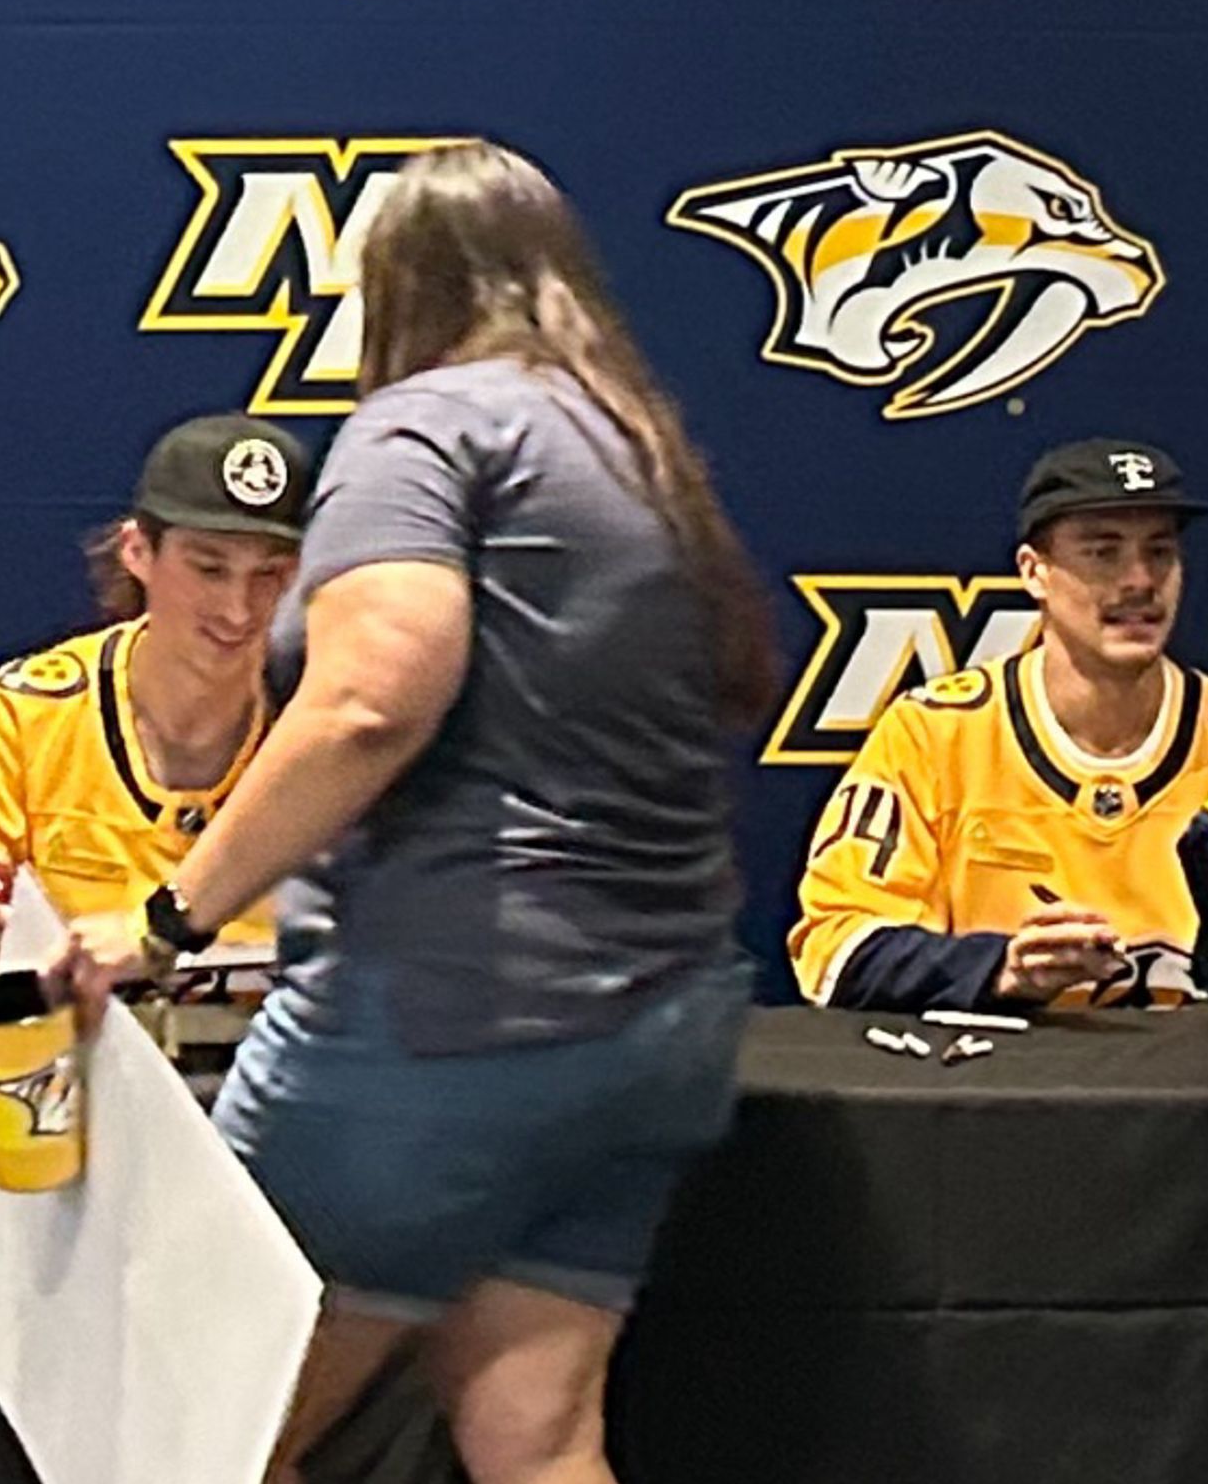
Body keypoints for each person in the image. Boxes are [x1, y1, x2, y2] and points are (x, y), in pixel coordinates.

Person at [70, 141, 778, 1484]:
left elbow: (370, 700)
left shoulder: (425, 426)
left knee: (184, 1436)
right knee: (537, 1437)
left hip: (448, 1027)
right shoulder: (640, 453)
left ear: (391, 283)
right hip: (658, 1028)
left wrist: (164, 919)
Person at [0, 414, 310, 1016]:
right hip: (76, 1078)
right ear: (138, 551)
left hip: (280, 1072)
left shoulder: (333, 720)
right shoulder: (24, 715)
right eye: (209, 568)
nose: (239, 608)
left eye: (271, 574)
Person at [789, 438, 1208, 1012]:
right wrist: (1001, 967)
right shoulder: (935, 733)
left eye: (1160, 553)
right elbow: (833, 948)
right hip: (994, 1085)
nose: (1140, 580)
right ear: (1034, 572)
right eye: (1103, 553)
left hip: (1202, 1087)